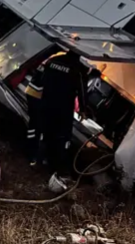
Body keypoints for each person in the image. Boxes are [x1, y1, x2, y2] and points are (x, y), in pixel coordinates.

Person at [35, 50, 90, 193]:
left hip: (46, 104)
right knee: (62, 139)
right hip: (63, 109)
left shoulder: (52, 61)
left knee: (45, 132)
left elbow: (40, 80)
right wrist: (83, 110)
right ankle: (59, 169)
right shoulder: (78, 69)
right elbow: (82, 92)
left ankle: (41, 161)